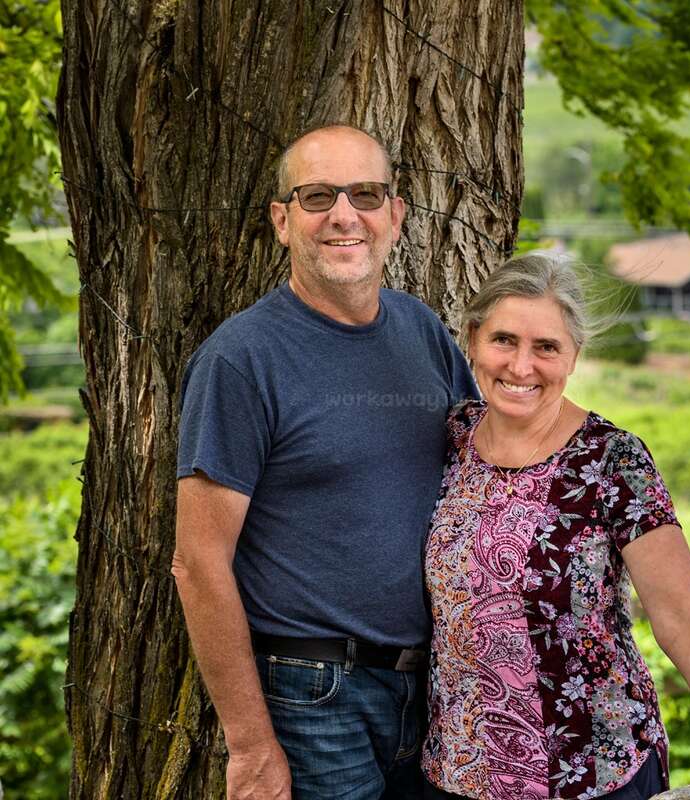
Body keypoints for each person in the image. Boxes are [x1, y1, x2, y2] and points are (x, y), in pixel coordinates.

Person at [172, 124, 476, 800]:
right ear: (283, 221)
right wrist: (250, 746)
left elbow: (485, 481)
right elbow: (198, 563)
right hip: (312, 698)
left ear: (395, 216)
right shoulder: (241, 360)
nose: (345, 215)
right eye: (317, 197)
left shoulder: (421, 331)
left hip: (436, 694)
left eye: (365, 194)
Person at [420, 253, 690, 800]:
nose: (521, 366)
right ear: (473, 338)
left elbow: (681, 611)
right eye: (504, 340)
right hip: (460, 773)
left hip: (594, 774)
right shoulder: (450, 439)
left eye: (546, 347)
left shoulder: (612, 459)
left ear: (574, 354)